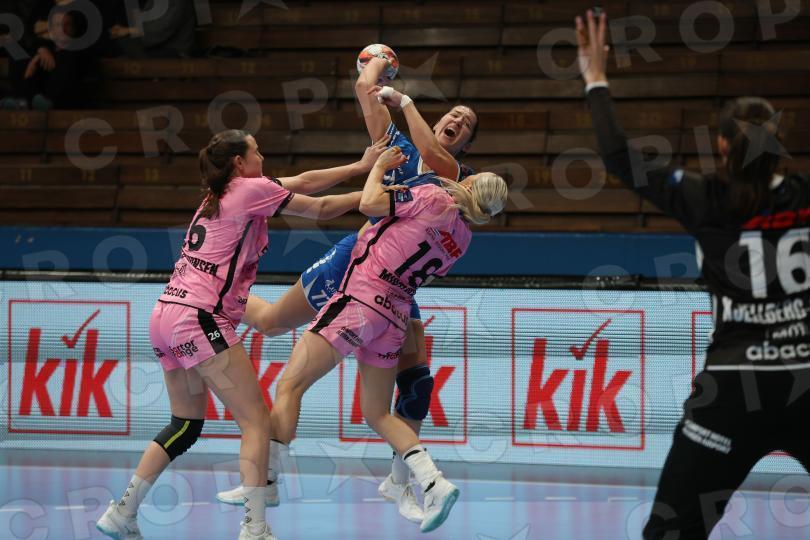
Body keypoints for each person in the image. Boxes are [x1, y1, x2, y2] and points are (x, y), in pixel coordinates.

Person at [218, 50, 484, 522]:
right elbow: (365, 89)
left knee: (417, 384)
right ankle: (218, 294)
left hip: (393, 287)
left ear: (464, 144)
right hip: (355, 266)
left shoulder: (453, 181)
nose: (457, 121)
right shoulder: (397, 145)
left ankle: (401, 483)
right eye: (454, 115)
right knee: (272, 323)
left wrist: (398, 94)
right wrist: (379, 61)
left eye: (466, 124)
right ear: (438, 119)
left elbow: (427, 157)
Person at [576, 10, 810, 539]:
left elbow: (618, 157)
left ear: (722, 146)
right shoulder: (802, 195)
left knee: (671, 531)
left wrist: (596, 77)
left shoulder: (704, 197)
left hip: (732, 391)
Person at [95, 129, 386, 540]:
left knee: (184, 425)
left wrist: (360, 166)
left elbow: (303, 181)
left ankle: (122, 512)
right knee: (256, 422)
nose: (262, 156)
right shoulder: (249, 190)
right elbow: (319, 206)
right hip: (199, 318)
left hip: (165, 315)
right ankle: (255, 528)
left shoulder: (220, 194)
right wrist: (374, 198)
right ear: (239, 162)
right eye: (256, 151)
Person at [269, 146, 508, 533]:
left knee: (290, 385)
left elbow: (369, 204)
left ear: (471, 186)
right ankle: (434, 482)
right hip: (395, 316)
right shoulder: (463, 238)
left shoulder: (433, 197)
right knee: (378, 414)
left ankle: (265, 481)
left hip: (361, 299)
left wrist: (378, 166)